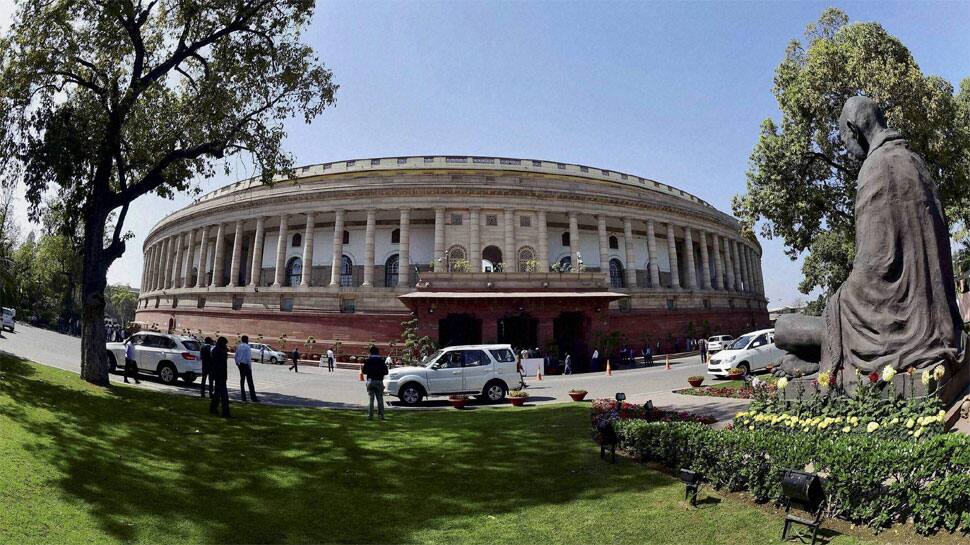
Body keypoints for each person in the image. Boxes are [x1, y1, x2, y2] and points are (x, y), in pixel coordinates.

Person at [362, 345, 388, 420]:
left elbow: (364, 371)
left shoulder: (368, 361)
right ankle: (381, 415)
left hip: (371, 380)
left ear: (371, 352)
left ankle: (370, 416)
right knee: (380, 399)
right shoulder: (381, 361)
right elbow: (386, 372)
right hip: (379, 381)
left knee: (371, 399)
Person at [209, 337, 231, 418]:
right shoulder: (219, 351)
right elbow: (221, 364)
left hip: (218, 374)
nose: (225, 345)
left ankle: (213, 408)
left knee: (217, 394)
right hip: (220, 375)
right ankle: (225, 412)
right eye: (225, 344)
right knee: (224, 395)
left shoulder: (216, 350)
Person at [235, 335, 258, 402]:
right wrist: (250, 367)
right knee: (250, 382)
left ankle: (243, 397)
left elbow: (236, 356)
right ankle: (253, 398)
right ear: (246, 340)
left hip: (241, 365)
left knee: (242, 381)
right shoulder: (247, 347)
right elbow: (248, 358)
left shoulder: (239, 346)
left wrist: (237, 364)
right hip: (246, 365)